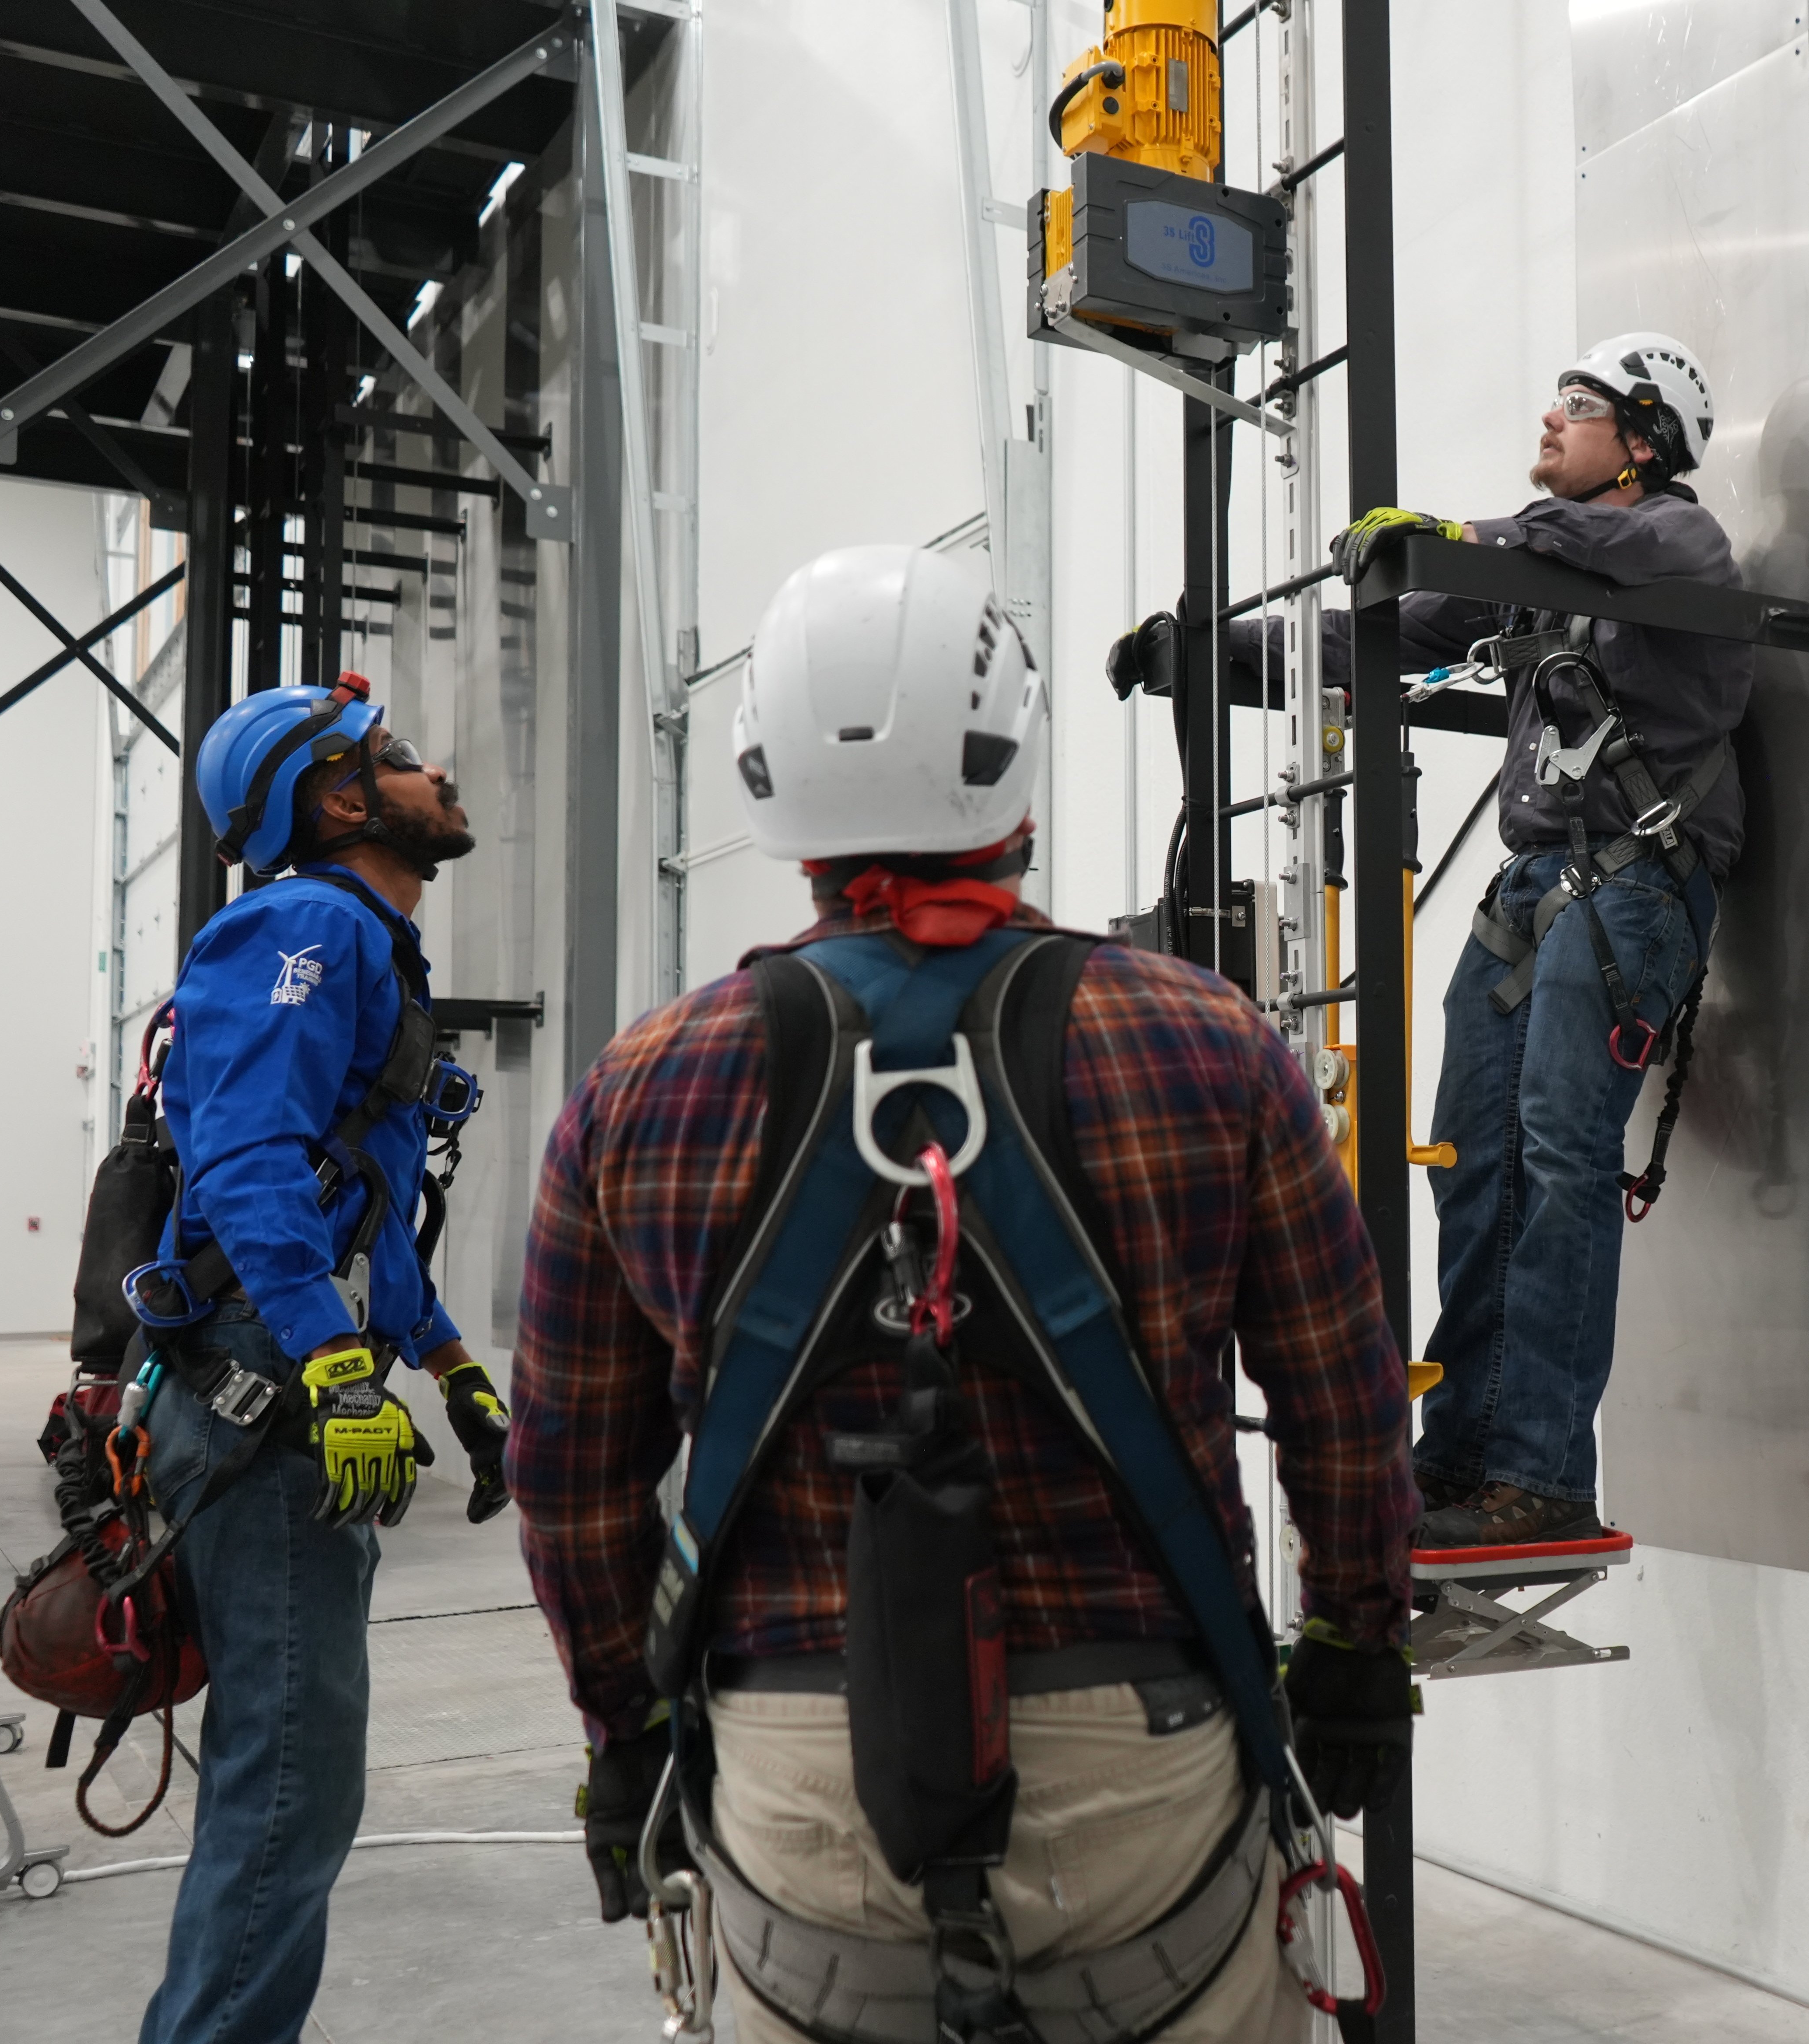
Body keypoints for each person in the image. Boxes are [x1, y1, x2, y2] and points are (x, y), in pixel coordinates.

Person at [510, 545, 1419, 2044]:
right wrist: (1353, 1647)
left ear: (764, 791)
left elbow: (564, 1478)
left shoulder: (643, 1083)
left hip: (801, 1779)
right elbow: (1343, 1401)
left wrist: (627, 1732)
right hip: (1146, 1771)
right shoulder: (1209, 1044)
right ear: (1017, 773)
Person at [1108, 332, 1741, 1554]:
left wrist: (1453, 538)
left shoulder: (1673, 538)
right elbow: (1385, 641)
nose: (1552, 421)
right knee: (1473, 1163)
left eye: (1583, 407)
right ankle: (1461, 1460)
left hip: (1634, 887)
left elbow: (1555, 545)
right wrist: (1216, 658)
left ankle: (1544, 1471)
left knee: (1562, 1161)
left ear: (1648, 443)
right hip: (1541, 894)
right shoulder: (1545, 554)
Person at [132, 672, 509, 2044]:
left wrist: (451, 1366)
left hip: (287, 1384)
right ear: (340, 800)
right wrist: (337, 1376)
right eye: (397, 758)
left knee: (295, 1777)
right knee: (288, 1782)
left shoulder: (360, 937)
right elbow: (244, 1170)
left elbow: (357, 1207)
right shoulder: (299, 924)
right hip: (264, 1403)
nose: (433, 774)